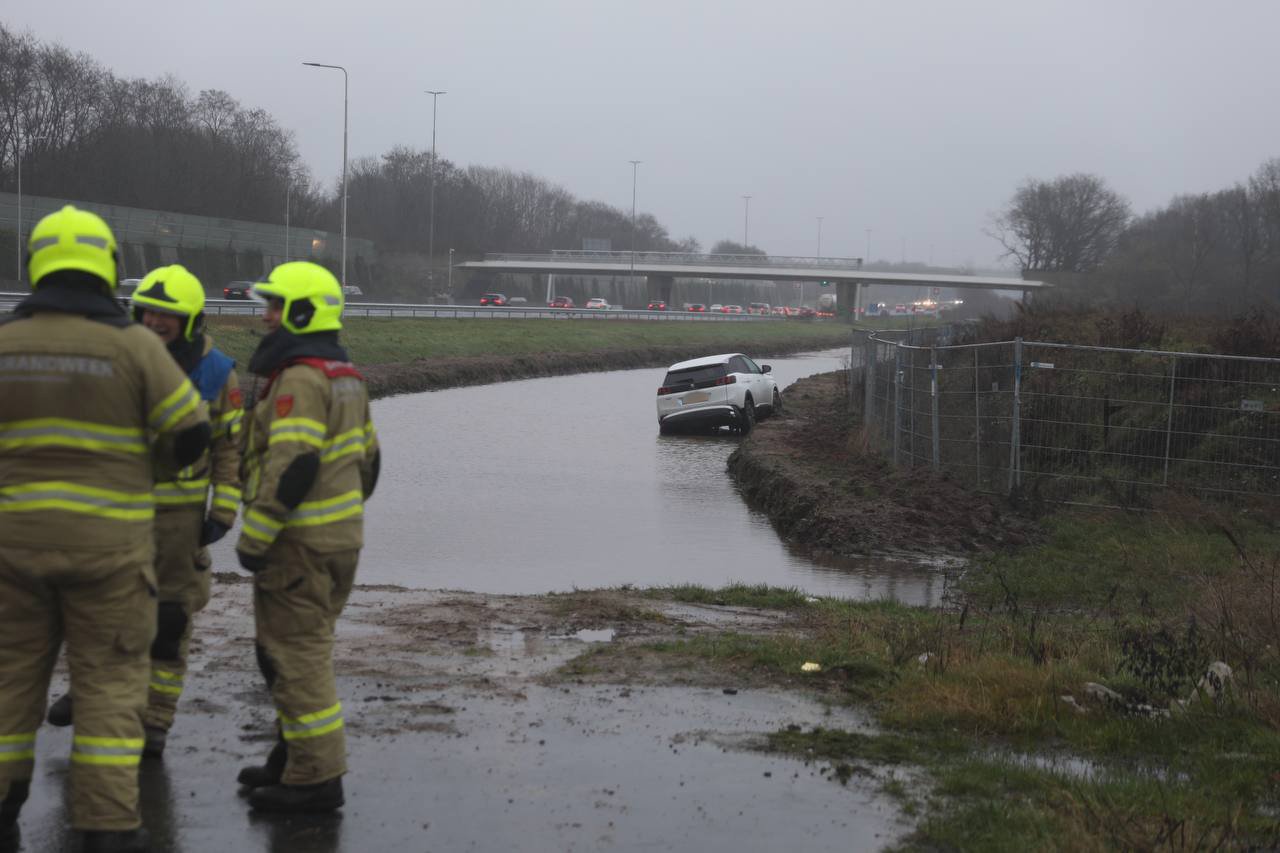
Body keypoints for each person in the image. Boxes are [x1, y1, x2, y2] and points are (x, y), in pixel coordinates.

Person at [0, 206, 210, 853]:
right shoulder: (135, 347)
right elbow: (192, 432)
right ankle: (105, 826)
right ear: (108, 268)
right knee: (112, 686)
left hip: (14, 551)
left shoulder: (5, 343)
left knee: (9, 682)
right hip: (111, 555)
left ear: (35, 263)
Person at [45, 265, 245, 755]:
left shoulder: (218, 373)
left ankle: (155, 720)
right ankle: (88, 692)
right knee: (95, 609)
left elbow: (229, 448)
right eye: (148, 311)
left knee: (170, 623)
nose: (155, 321)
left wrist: (223, 511)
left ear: (192, 320)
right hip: (114, 510)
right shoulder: (116, 359)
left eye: (168, 314)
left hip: (179, 525)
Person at [232, 261, 379, 813]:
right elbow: (370, 462)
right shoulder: (346, 375)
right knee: (299, 653)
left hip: (297, 544)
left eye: (275, 306)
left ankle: (316, 779)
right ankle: (291, 756)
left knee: (295, 657)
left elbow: (291, 466)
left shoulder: (298, 377)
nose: (265, 316)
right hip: (341, 541)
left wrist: (255, 538)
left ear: (300, 312)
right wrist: (340, 522)